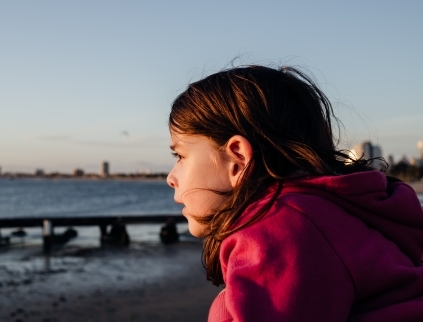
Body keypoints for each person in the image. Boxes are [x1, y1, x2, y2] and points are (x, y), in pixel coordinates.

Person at [166, 65, 423, 321]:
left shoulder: (279, 228)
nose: (170, 178)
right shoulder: (329, 217)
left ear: (238, 160)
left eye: (180, 155)